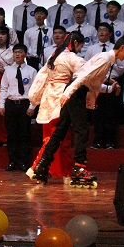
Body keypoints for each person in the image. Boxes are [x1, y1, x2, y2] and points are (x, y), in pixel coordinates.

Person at [31, 35, 124, 186]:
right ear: (122, 48)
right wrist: (67, 94)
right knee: (82, 130)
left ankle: (42, 165)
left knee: (60, 131)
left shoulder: (106, 58)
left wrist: (109, 88)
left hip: (74, 91)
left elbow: (92, 84)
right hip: (75, 93)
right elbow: (82, 77)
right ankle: (79, 168)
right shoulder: (105, 59)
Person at [27, 31, 85, 183]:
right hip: (62, 96)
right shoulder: (72, 58)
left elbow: (41, 77)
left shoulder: (53, 56)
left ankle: (43, 170)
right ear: (76, 43)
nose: (79, 50)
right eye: (80, 46)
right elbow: (86, 75)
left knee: (49, 136)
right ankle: (60, 171)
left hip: (48, 98)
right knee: (62, 138)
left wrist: (34, 99)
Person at [0, 44, 37, 171]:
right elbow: (3, 88)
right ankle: (12, 161)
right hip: (11, 104)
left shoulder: (31, 71)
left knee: (24, 134)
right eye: (15, 52)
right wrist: (1, 105)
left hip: (25, 104)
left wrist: (32, 107)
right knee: (11, 134)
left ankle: (23, 162)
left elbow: (35, 90)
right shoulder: (8, 70)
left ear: (25, 54)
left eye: (20, 52)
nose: (17, 54)